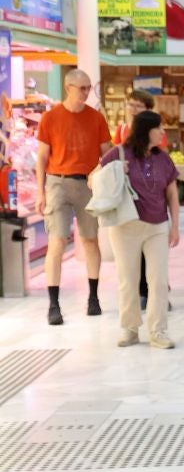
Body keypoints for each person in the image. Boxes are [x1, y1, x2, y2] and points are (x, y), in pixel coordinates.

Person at [35, 68, 111, 326]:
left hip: (88, 184)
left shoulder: (96, 118)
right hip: (57, 182)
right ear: (68, 88)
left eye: (89, 87)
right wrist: (40, 191)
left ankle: (93, 297)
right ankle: (53, 304)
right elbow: (42, 158)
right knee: (57, 241)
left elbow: (106, 153)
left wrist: (105, 177)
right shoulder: (50, 118)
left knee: (90, 240)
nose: (87, 92)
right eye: (82, 88)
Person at [98, 111, 180, 350]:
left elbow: (172, 194)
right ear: (147, 130)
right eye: (159, 128)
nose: (163, 132)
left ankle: (158, 331)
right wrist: (113, 170)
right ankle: (130, 329)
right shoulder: (118, 153)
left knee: (159, 281)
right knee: (128, 279)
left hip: (157, 226)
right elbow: (94, 180)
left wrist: (174, 226)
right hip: (125, 226)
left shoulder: (163, 159)